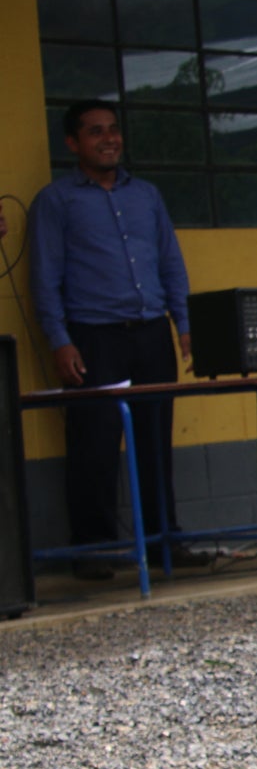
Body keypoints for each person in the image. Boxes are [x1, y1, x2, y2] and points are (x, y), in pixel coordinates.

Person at [27, 101, 193, 578]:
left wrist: (181, 322)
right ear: (73, 143)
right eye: (95, 131)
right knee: (94, 445)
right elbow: (45, 277)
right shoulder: (56, 201)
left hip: (149, 332)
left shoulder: (146, 196)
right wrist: (60, 340)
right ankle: (94, 550)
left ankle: (166, 542)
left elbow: (169, 261)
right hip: (92, 337)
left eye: (114, 129)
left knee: (155, 440)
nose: (109, 138)